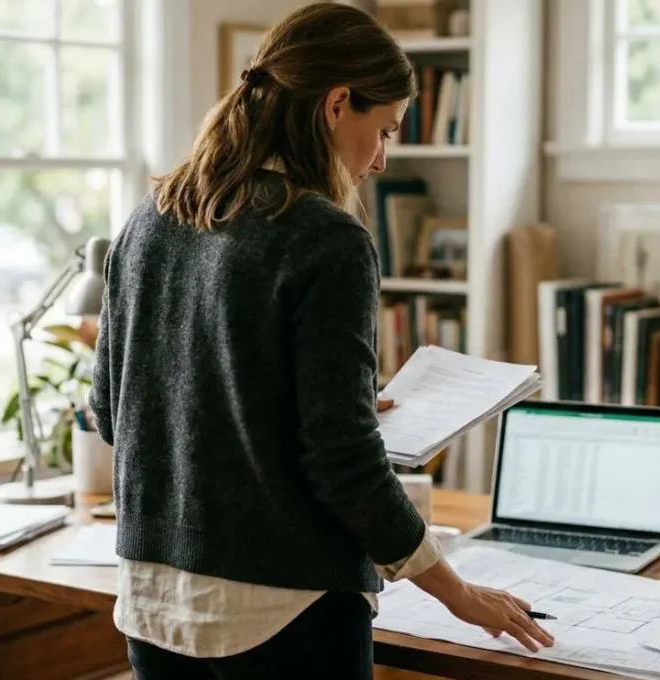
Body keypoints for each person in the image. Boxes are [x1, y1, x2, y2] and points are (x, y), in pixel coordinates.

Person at [88, 4, 554, 679]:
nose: (381, 159)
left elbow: (111, 411)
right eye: (384, 129)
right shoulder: (326, 238)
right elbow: (342, 464)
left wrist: (320, 407)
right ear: (338, 104)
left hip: (153, 605)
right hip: (284, 611)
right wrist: (460, 595)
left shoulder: (147, 220)